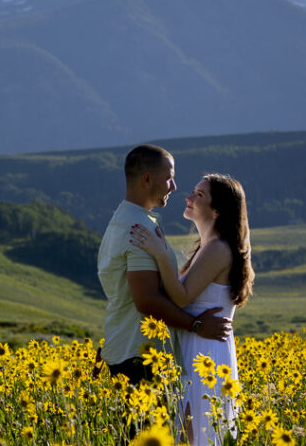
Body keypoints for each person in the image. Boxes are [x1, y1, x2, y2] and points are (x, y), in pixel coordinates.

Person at [130, 173, 254, 446]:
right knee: (190, 438)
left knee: (197, 439)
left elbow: (181, 298)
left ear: (216, 211)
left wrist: (159, 252)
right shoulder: (210, 248)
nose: (189, 197)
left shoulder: (217, 249)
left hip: (206, 354)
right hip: (199, 347)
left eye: (199, 195)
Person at [97, 144, 230, 385]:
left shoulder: (125, 221)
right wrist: (197, 325)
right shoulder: (137, 229)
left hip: (127, 348)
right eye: (169, 178)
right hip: (139, 358)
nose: (174, 187)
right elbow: (146, 300)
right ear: (147, 180)